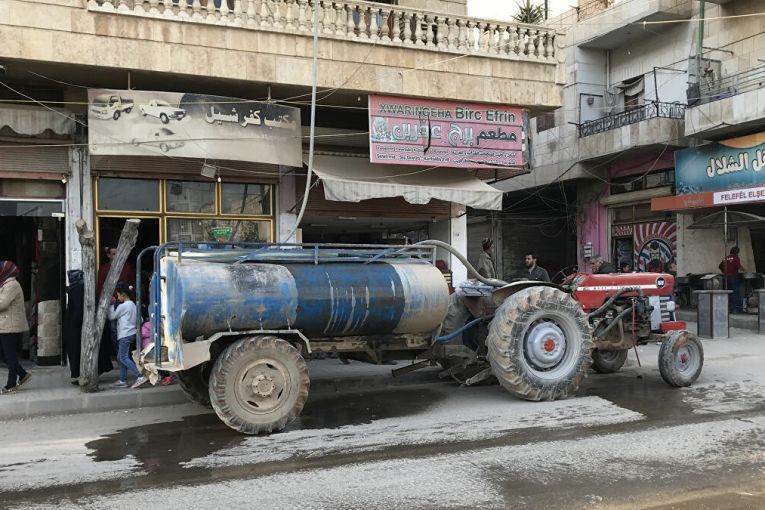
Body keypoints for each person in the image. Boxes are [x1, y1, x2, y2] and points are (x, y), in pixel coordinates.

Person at [0, 261, 31, 394]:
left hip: (10, 326)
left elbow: (2, 303)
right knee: (5, 356)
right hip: (5, 325)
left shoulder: (12, 285)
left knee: (10, 357)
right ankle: (23, 374)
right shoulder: (5, 284)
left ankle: (11, 385)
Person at [109, 283, 146, 389]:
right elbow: (141, 319)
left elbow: (111, 316)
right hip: (130, 333)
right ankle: (122, 379)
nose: (117, 297)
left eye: (118, 295)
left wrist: (111, 305)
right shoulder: (133, 305)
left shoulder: (124, 306)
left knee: (123, 357)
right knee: (120, 357)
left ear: (123, 295)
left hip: (125, 335)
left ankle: (140, 376)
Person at [63, 270, 84, 384]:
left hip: (76, 328)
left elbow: (77, 309)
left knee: (76, 351)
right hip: (76, 327)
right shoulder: (78, 288)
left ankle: (80, 374)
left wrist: (73, 324)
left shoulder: (77, 289)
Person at [719, 247, 744, 313]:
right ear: (736, 252)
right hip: (733, 277)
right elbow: (739, 267)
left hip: (726, 277)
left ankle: (729, 307)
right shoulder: (735, 257)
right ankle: (736, 309)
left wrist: (724, 271)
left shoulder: (726, 257)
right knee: (735, 292)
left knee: (728, 292)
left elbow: (720, 266)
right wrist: (745, 270)